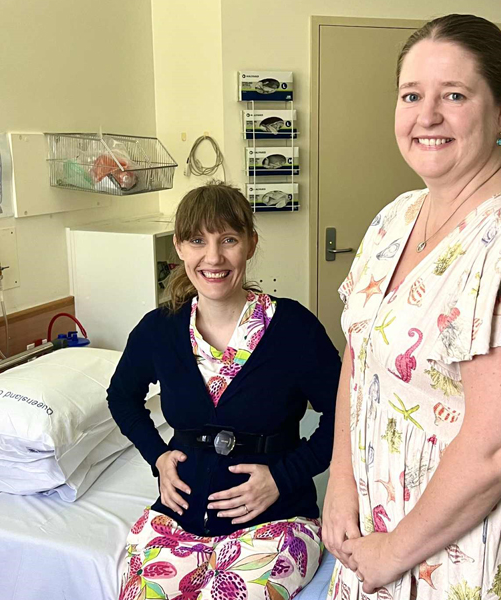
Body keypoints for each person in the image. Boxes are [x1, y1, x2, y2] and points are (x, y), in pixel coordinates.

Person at [321, 14, 501, 600]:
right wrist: (341, 485)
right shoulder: (393, 219)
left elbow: (500, 449)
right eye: (412, 95)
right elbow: (360, 357)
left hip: (474, 536)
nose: (427, 116)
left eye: (454, 95)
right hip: (380, 514)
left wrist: (393, 553)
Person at [107, 182, 341, 600]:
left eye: (228, 239)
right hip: (180, 517)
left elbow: (346, 415)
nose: (213, 257)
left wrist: (283, 477)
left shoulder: (294, 328)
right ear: (179, 247)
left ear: (250, 244)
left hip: (276, 518)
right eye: (198, 240)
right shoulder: (159, 329)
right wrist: (157, 457)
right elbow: (121, 396)